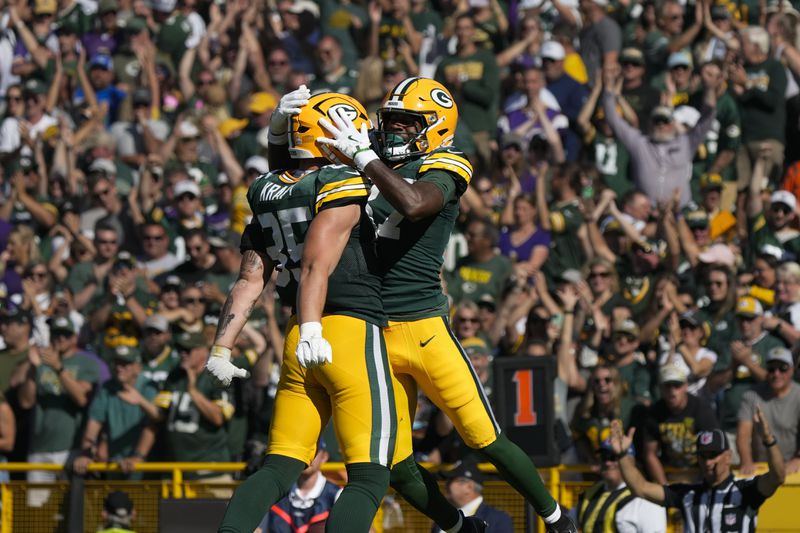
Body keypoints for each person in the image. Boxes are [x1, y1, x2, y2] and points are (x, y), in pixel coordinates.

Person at [318, 76, 576, 532]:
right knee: (394, 465)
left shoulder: (447, 163)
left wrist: (365, 159)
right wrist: (285, 132)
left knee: (484, 438)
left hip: (423, 327)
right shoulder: (370, 159)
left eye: (407, 122)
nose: (394, 129)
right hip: (371, 331)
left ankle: (557, 518)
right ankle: (459, 527)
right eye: (391, 120)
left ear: (435, 127)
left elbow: (416, 204)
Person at [209, 91, 407, 533]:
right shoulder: (339, 181)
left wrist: (221, 347)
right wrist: (317, 326)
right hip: (346, 330)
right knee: (371, 475)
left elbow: (249, 279)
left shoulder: (264, 189)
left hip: (298, 336)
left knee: (278, 466)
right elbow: (319, 264)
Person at [609, 413, 785, 533]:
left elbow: (777, 476)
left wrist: (769, 440)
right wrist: (623, 455)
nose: (708, 462)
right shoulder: (688, 494)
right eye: (703, 456)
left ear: (728, 456)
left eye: (714, 455)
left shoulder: (745, 490)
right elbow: (640, 488)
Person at [640, 365, 720, 484]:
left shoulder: (701, 409)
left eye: (677, 386)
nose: (672, 391)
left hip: (699, 472)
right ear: (660, 389)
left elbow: (715, 449)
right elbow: (650, 455)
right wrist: (665, 488)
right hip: (669, 473)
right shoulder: (654, 413)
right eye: (667, 386)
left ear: (686, 386)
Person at [575, 439, 666, 533]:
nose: (608, 463)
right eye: (604, 457)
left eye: (613, 457)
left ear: (630, 461)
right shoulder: (589, 494)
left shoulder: (647, 498)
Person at [737, 347, 800, 475]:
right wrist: (746, 461)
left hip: (791, 466)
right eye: (771, 368)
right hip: (761, 467)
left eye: (783, 368)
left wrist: (798, 460)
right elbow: (743, 434)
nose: (776, 374)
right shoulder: (751, 395)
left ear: (792, 370)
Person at [256, 442, 340, 533]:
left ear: (324, 457)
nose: (309, 456)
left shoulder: (337, 496)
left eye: (314, 451)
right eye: (303, 451)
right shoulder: (276, 494)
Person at [434, 461, 513, 533]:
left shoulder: (498, 519)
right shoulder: (442, 518)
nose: (446, 484)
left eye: (451, 480)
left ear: (468, 487)